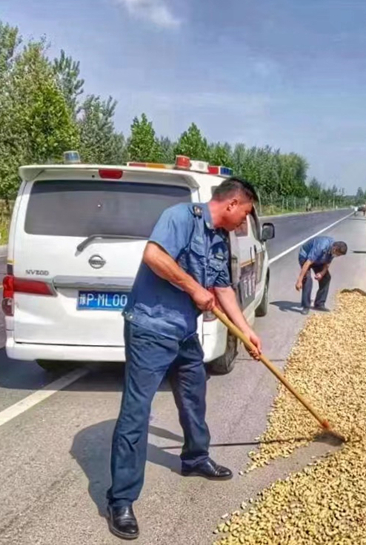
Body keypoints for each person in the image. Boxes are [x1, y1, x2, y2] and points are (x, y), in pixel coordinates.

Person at [106, 178, 263, 541]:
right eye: (245, 214)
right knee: (136, 413)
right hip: (150, 327)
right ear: (232, 204)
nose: (244, 222)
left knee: (194, 396)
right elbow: (154, 256)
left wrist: (246, 331)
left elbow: (222, 288)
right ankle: (121, 500)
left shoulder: (220, 239)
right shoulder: (180, 217)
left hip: (183, 332)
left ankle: (195, 459)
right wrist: (193, 288)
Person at [295, 236, 348, 314]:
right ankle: (306, 306)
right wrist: (299, 280)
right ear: (335, 249)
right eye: (338, 254)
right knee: (307, 279)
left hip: (319, 259)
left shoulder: (333, 251)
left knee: (326, 278)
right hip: (306, 257)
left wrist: (321, 273)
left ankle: (319, 303)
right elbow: (307, 263)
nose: (337, 256)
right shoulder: (321, 246)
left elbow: (327, 263)